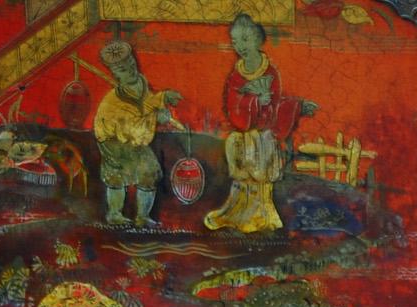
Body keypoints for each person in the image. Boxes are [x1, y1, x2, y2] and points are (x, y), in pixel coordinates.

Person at [204, 13, 318, 234]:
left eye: (245, 39)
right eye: (235, 41)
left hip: (264, 136)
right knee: (243, 172)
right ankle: (238, 214)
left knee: (262, 173)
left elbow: (277, 105)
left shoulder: (270, 72)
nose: (240, 46)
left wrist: (297, 106)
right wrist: (254, 101)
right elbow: (231, 105)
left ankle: (262, 216)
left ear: (258, 38)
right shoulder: (236, 75)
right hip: (244, 136)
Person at [92, 40, 184, 226]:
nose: (131, 71)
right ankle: (115, 214)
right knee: (116, 175)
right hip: (112, 140)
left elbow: (147, 104)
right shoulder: (113, 103)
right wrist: (155, 119)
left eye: (132, 65)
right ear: (115, 74)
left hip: (133, 138)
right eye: (124, 70)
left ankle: (143, 217)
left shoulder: (140, 84)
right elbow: (132, 128)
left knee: (149, 170)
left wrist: (164, 97)